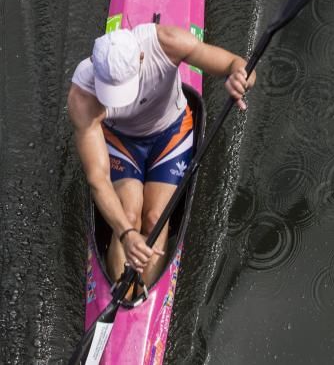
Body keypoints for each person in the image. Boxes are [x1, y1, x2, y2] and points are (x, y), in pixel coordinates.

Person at [68, 22, 255, 284]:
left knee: (155, 219)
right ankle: (123, 296)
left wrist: (239, 78)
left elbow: (236, 64)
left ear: (141, 57)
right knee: (129, 217)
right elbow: (97, 179)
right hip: (122, 141)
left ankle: (145, 292)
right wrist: (125, 234)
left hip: (171, 133)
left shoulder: (166, 42)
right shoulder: (82, 96)